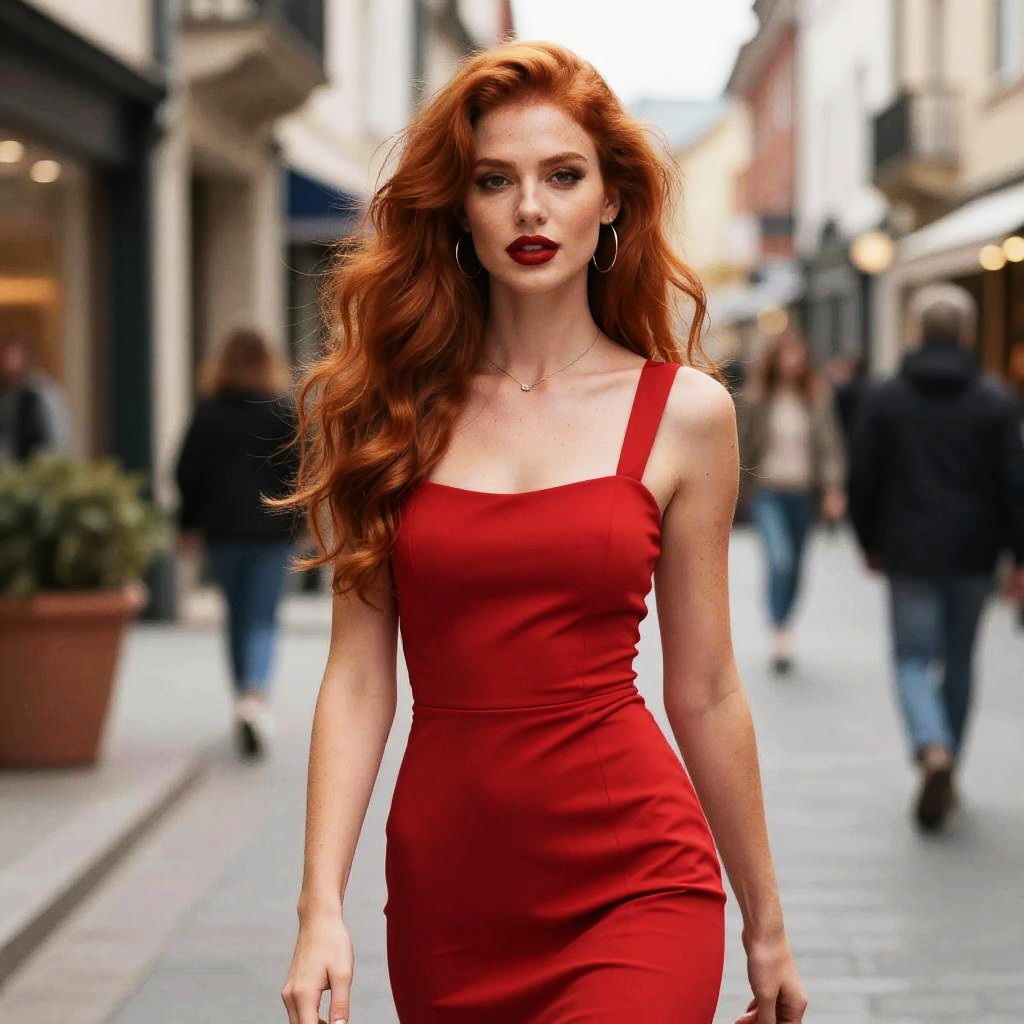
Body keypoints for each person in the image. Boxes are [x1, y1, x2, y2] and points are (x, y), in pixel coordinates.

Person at [277, 41, 807, 1024]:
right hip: (449, 894)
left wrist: (765, 918)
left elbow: (705, 685)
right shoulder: (386, 413)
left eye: (562, 175)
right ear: (458, 206)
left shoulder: (686, 413)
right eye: (495, 180)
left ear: (609, 198)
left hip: (635, 876)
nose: (529, 208)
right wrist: (319, 907)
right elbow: (356, 677)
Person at [848, 282, 1024, 832]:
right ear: (968, 335)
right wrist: (1019, 556)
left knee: (911, 658)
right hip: (975, 553)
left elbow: (863, 478)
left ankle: (932, 748)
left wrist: (867, 539)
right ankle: (950, 758)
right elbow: (1015, 485)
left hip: (908, 548)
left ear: (916, 333)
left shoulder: (887, 397)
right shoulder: (995, 400)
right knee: (960, 660)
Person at [174, 326, 302, 760]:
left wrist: (187, 523)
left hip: (223, 530)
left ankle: (243, 697)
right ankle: (254, 695)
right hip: (272, 531)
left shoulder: (209, 413)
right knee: (263, 617)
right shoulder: (282, 410)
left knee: (237, 616)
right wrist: (301, 524)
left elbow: (186, 472)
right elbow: (302, 473)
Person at [738, 330, 847, 674]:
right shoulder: (757, 398)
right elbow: (739, 445)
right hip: (767, 492)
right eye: (786, 355)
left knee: (797, 566)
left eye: (797, 355)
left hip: (803, 493)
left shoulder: (816, 398)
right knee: (780, 560)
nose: (792, 362)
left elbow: (830, 446)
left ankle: (784, 625)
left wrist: (832, 488)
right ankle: (778, 630)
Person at [0, 329, 72, 465]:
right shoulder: (5, 395)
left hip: (34, 471)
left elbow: (57, 437)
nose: (6, 362)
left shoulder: (42, 393)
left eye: (11, 357)